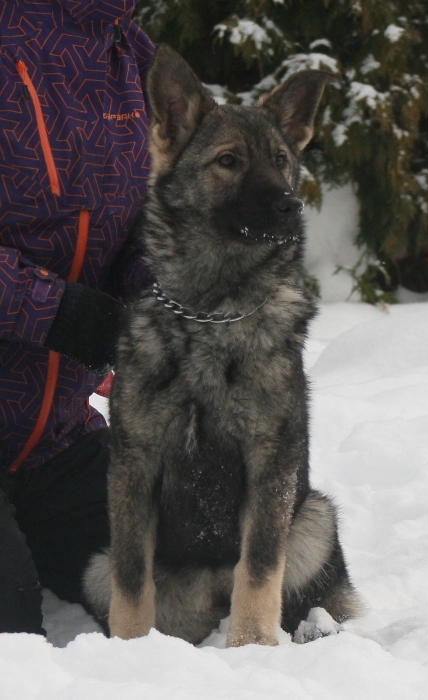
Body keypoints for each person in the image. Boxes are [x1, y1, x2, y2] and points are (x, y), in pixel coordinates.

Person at [0, 0, 155, 634]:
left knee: (174, 585)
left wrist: (155, 305)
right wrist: (61, 312)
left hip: (52, 443)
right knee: (15, 642)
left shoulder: (132, 53)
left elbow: (150, 218)